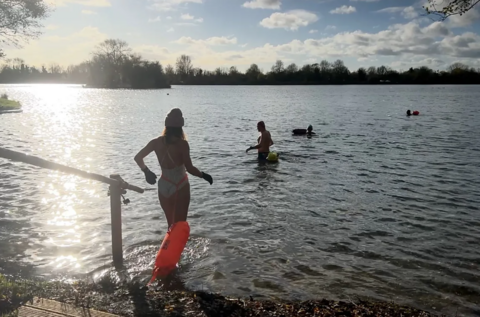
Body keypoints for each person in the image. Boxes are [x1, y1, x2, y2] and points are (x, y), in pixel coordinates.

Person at [134, 108, 213, 229]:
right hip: (180, 184)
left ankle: (167, 247)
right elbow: (190, 168)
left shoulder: (155, 142)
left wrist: (146, 171)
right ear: (181, 125)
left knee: (170, 226)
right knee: (180, 225)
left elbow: (138, 157)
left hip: (164, 184)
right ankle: (179, 247)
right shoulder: (182, 144)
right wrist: (203, 175)